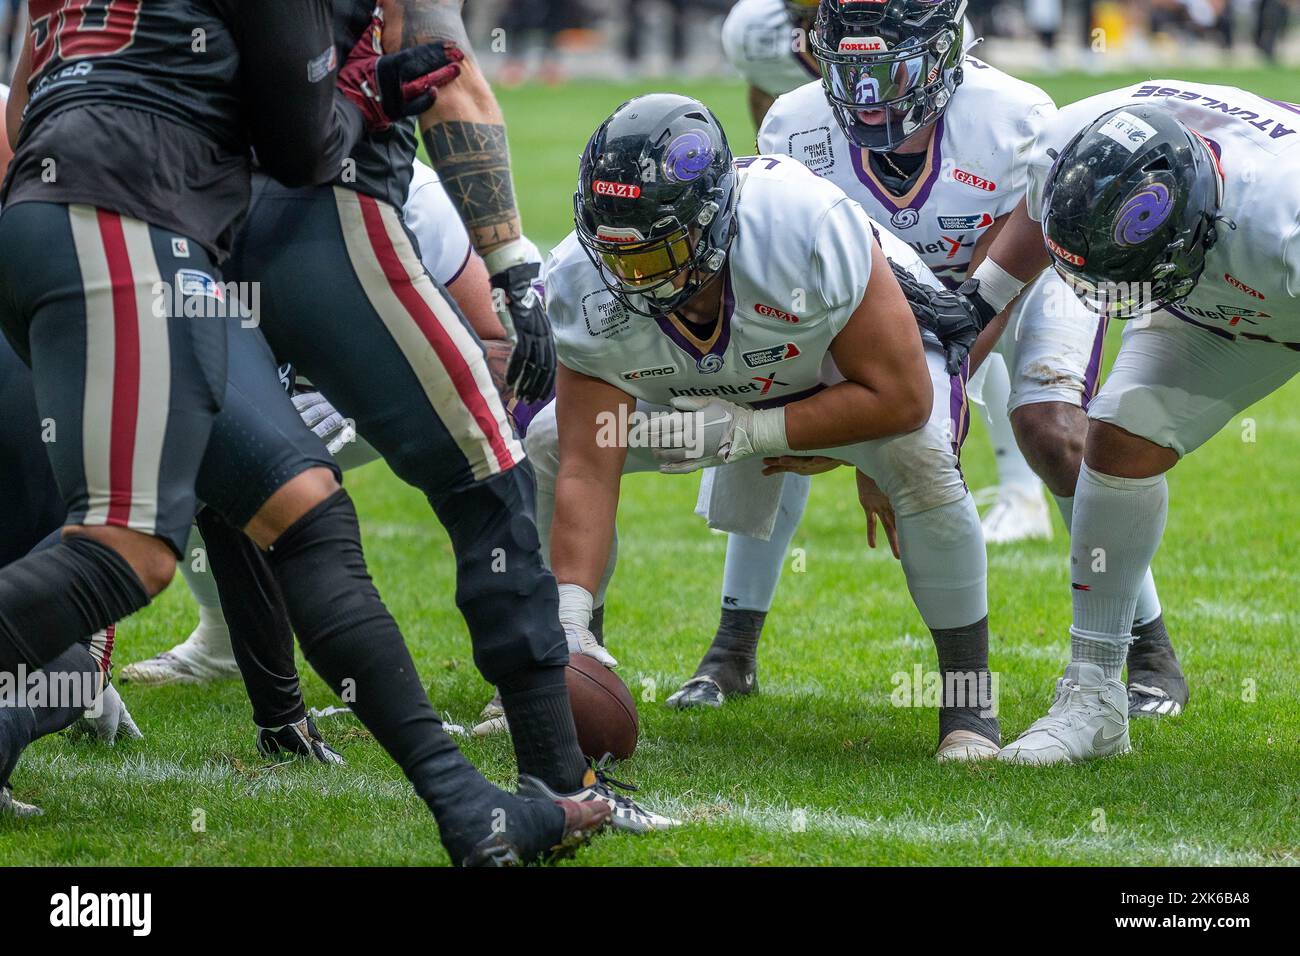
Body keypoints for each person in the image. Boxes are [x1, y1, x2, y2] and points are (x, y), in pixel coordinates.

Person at [0, 0, 609, 863]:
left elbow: (24, 107)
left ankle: (466, 803)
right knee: (127, 549)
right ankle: (557, 775)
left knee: (303, 509)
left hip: (102, 226)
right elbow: (303, 142)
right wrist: (373, 97)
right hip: (133, 222)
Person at [523, 92, 1001, 761]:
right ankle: (574, 646)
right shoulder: (583, 278)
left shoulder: (802, 230)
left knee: (918, 453)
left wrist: (754, 433)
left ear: (714, 223)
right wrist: (565, 611)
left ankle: (968, 703)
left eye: (657, 254)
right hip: (710, 386)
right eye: (619, 256)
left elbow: (900, 397)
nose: (634, 278)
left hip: (834, 368)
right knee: (549, 441)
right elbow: (583, 461)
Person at [932, 82, 1299, 762]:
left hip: (1274, 285)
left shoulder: (1286, 218)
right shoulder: (1078, 146)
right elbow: (986, 300)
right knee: (1121, 436)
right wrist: (932, 424)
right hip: (1211, 298)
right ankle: (1095, 698)